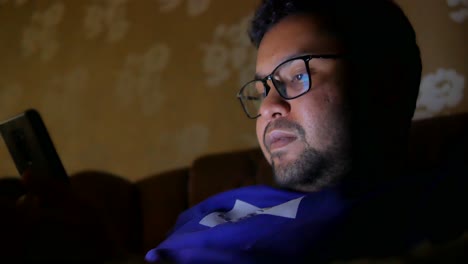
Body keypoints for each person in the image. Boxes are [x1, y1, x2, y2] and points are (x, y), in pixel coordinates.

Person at [145, 0, 466, 263]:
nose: (268, 106)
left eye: (298, 75)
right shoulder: (211, 208)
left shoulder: (423, 208)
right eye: (262, 87)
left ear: (382, 85)